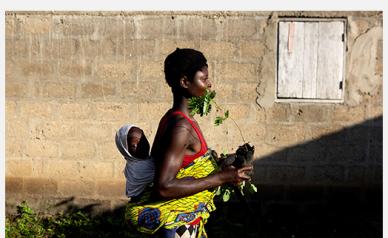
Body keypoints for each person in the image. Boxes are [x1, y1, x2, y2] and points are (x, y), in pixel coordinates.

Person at [126, 48, 253, 238]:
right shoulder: (181, 127)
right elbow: (164, 187)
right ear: (185, 82)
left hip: (185, 223)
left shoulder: (177, 119)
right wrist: (222, 178)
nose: (209, 85)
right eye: (204, 79)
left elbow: (187, 167)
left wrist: (221, 166)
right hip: (177, 227)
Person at [115, 124, 155, 200]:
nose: (142, 146)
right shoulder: (139, 167)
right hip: (142, 204)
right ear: (125, 150)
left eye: (143, 140)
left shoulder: (145, 160)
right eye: (134, 145)